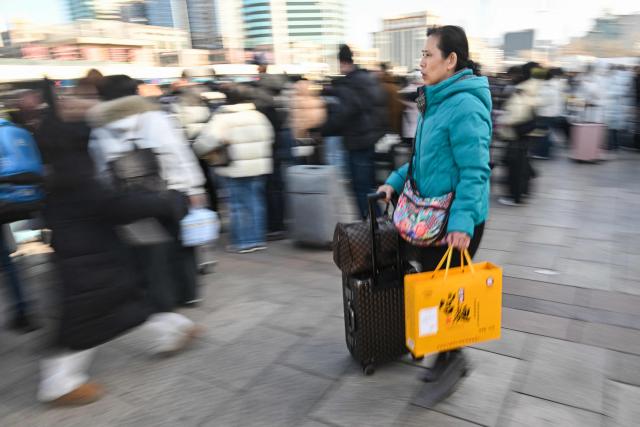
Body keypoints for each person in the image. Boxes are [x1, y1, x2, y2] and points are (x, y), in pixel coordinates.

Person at [35, 78, 201, 406]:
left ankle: (173, 330)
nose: (76, 104)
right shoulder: (74, 166)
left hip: (87, 250)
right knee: (90, 317)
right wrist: (171, 202)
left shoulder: (62, 159)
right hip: (88, 256)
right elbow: (112, 204)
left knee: (124, 301)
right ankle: (58, 383)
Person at [377, 25, 492, 381]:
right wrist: (394, 183)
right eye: (422, 54)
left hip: (455, 218)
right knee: (433, 284)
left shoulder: (465, 107)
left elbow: (475, 172)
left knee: (443, 290)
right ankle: (441, 350)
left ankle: (451, 359)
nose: (421, 61)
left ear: (451, 60)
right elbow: (422, 161)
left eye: (428, 54)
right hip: (430, 214)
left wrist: (462, 224)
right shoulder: (436, 101)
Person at [87, 75, 207, 309]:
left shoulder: (98, 128)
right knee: (181, 243)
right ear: (135, 92)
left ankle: (161, 300)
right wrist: (194, 187)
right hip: (168, 192)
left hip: (130, 199)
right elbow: (177, 153)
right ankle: (188, 293)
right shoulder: (154, 117)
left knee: (150, 249)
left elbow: (100, 168)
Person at [193, 88, 274, 254]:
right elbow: (270, 137)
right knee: (256, 202)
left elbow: (206, 142)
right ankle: (258, 239)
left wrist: (197, 150)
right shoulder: (258, 116)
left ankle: (244, 242)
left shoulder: (223, 118)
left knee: (238, 205)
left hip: (234, 167)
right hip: (259, 167)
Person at [322, 44, 387, 219]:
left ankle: (372, 225)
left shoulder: (349, 83)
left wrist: (323, 129)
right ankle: (378, 222)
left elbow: (345, 113)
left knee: (360, 187)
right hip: (370, 139)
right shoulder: (368, 79)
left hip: (357, 141)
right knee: (368, 186)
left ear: (342, 62)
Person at [496, 62, 541, 206]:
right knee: (520, 162)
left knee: (515, 165)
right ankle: (522, 191)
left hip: (517, 132)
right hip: (527, 130)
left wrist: (503, 121)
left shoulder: (522, 89)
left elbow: (516, 114)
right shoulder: (533, 87)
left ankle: (516, 196)